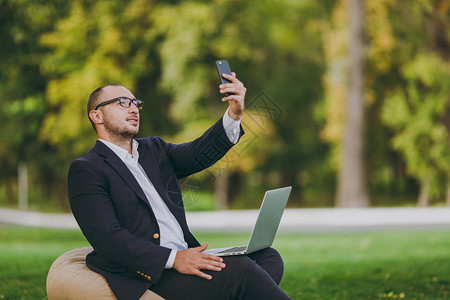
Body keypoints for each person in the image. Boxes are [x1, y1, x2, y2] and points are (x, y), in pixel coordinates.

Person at [68, 72, 291, 300]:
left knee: (266, 257)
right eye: (123, 103)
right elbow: (108, 238)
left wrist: (234, 114)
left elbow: (199, 154)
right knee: (243, 271)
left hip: (186, 256)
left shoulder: (153, 149)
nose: (134, 109)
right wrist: (175, 259)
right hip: (150, 273)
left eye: (136, 103)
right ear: (97, 115)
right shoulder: (87, 169)